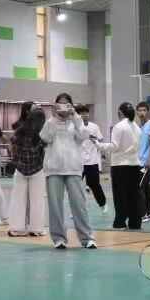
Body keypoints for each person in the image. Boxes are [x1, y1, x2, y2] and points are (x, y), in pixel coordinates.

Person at [39, 94, 95, 250]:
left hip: (73, 168)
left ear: (71, 105)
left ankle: (87, 238)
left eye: (66, 104)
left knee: (79, 204)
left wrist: (75, 116)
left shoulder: (76, 122)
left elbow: (84, 136)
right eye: (60, 103)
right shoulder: (50, 122)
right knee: (55, 206)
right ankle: (59, 238)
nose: (63, 106)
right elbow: (45, 138)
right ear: (56, 105)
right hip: (54, 168)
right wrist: (54, 118)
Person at [6, 107, 47, 237]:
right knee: (37, 201)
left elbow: (12, 149)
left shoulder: (18, 132)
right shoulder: (42, 135)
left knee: (17, 200)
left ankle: (16, 229)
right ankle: (36, 229)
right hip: (37, 170)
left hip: (20, 170)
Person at [103, 102, 143, 229]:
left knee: (120, 196)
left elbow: (114, 146)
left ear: (120, 112)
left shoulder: (119, 126)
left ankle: (119, 223)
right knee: (134, 196)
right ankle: (135, 223)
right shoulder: (137, 127)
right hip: (135, 164)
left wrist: (100, 145)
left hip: (120, 165)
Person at [77, 106, 106, 210]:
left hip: (92, 161)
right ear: (78, 115)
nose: (84, 115)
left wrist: (103, 154)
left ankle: (102, 204)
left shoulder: (94, 127)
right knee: (76, 187)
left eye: (86, 113)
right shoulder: (75, 127)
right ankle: (76, 208)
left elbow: (101, 140)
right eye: (82, 113)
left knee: (95, 185)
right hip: (79, 162)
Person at [136, 102, 150, 222]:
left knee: (139, 187)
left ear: (148, 112)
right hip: (140, 162)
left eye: (144, 110)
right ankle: (149, 212)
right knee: (145, 188)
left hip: (147, 163)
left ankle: (142, 213)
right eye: (139, 110)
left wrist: (149, 159)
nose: (142, 113)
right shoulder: (139, 127)